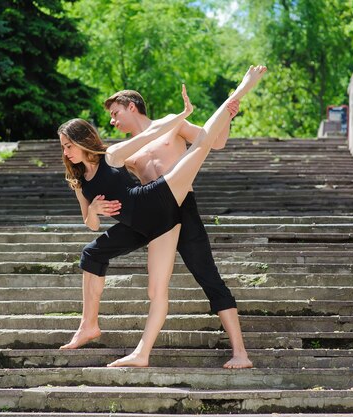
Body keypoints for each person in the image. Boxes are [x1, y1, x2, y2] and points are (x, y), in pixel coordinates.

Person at [58, 65, 267, 367]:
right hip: (151, 213)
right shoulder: (123, 154)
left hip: (179, 201)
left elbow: (213, 140)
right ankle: (123, 343)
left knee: (208, 277)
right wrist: (93, 209)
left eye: (116, 113)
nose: (112, 120)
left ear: (132, 107)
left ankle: (240, 353)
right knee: (131, 273)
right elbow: (111, 189)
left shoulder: (169, 123)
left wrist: (226, 114)